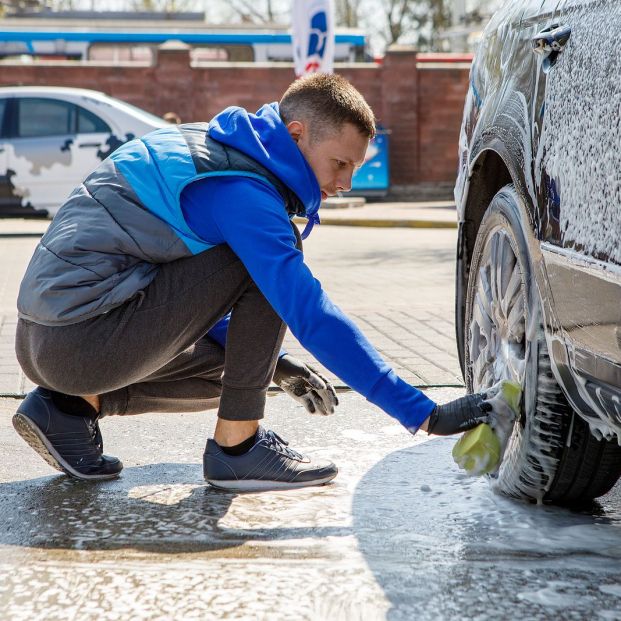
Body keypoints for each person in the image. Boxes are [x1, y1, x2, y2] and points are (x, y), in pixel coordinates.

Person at [13, 74, 494, 492]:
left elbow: (179, 299)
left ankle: (68, 411)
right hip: (79, 342)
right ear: (297, 134)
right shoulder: (242, 190)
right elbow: (307, 310)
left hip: (42, 341)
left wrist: (276, 366)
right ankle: (238, 448)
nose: (346, 183)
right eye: (340, 164)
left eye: (355, 168)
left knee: (247, 362)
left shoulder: (215, 149)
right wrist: (424, 414)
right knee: (269, 262)